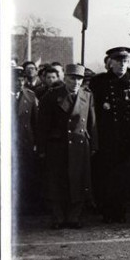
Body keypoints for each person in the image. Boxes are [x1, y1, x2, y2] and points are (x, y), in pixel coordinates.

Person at [89, 46, 130, 223]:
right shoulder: (99, 81)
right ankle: (107, 211)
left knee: (125, 176)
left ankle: (121, 210)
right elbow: (94, 112)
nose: (123, 65)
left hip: (128, 138)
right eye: (119, 61)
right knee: (106, 175)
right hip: (107, 138)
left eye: (125, 61)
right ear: (111, 63)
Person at [37, 64, 97, 229]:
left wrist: (94, 144)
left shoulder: (87, 95)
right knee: (57, 182)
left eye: (79, 79)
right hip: (58, 145)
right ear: (65, 79)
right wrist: (41, 148)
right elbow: (42, 125)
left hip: (79, 144)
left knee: (79, 180)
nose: (76, 82)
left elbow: (92, 122)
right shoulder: (52, 96)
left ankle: (74, 217)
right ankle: (58, 217)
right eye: (72, 78)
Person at [11, 66, 40, 216]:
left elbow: (36, 123)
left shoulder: (30, 96)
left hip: (25, 143)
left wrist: (35, 143)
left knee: (25, 175)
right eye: (15, 79)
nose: (19, 82)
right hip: (6, 144)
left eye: (22, 79)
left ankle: (24, 208)